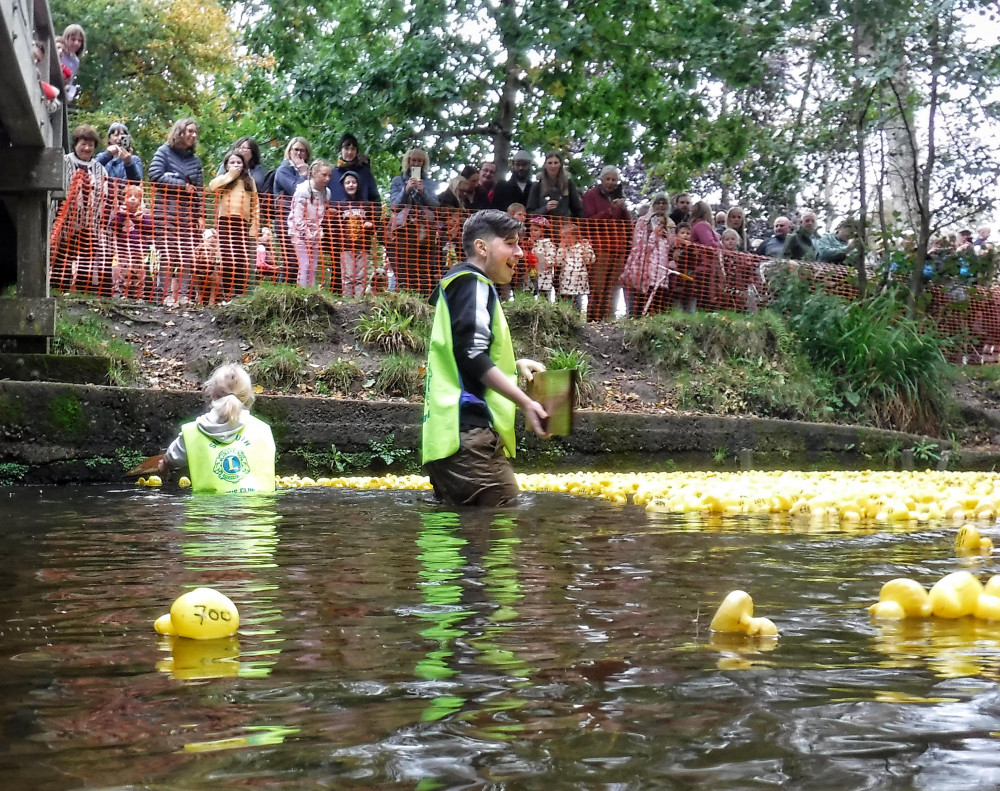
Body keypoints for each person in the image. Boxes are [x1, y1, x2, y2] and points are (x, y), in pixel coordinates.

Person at [421, 209, 549, 507]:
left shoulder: (458, 286)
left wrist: (514, 367)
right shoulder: (474, 283)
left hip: (445, 438)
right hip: (468, 438)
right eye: (511, 243)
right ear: (482, 247)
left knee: (463, 540)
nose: (520, 252)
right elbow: (471, 354)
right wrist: (526, 402)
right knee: (502, 523)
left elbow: (462, 355)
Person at [160, 363, 275, 494]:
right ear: (246, 396)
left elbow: (169, 460)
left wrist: (163, 467)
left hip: (207, 512)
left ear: (213, 393)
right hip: (256, 510)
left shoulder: (191, 432)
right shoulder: (263, 430)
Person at [148, 118, 204, 305]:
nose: (193, 135)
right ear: (180, 132)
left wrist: (200, 215)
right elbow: (155, 175)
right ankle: (164, 295)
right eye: (190, 131)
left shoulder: (195, 160)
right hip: (165, 211)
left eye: (195, 132)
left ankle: (183, 295)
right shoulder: (163, 151)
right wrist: (181, 185)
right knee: (168, 252)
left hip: (188, 214)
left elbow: (199, 190)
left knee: (187, 254)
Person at [53, 124, 108, 295]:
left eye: (90, 145)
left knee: (86, 258)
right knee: (63, 257)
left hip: (90, 222)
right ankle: (58, 291)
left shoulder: (100, 169)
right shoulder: (65, 162)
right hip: (66, 220)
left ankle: (81, 295)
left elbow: (105, 195)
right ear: (76, 143)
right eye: (83, 143)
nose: (86, 148)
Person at [582, 165, 632, 321]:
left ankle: (608, 320)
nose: (611, 182)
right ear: (602, 179)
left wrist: (623, 209)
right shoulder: (591, 196)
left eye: (614, 180)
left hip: (619, 248)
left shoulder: (619, 196)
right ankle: (593, 320)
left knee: (613, 287)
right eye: (608, 179)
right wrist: (609, 211)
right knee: (597, 285)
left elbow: (627, 225)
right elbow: (589, 221)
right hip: (600, 246)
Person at [388, 147, 441, 294]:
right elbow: (394, 206)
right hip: (403, 230)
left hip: (425, 230)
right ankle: (404, 296)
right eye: (413, 160)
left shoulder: (430, 183)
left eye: (420, 161)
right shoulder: (398, 181)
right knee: (403, 266)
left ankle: (423, 297)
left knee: (423, 266)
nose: (416, 163)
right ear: (408, 161)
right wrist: (406, 190)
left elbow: (436, 206)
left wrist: (423, 192)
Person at [208, 151, 259, 300]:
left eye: (239, 162)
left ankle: (238, 293)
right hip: (225, 222)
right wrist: (230, 175)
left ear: (244, 165)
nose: (236, 165)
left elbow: (255, 204)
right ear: (226, 165)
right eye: (232, 162)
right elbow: (212, 187)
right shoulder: (224, 180)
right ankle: (226, 293)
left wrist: (254, 226)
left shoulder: (249, 181)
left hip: (242, 223)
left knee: (240, 257)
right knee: (226, 257)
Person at [621, 193, 674, 317]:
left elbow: (671, 245)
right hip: (644, 265)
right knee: (639, 299)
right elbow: (638, 244)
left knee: (657, 299)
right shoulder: (643, 220)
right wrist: (654, 235)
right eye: (657, 202)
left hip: (662, 268)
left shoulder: (670, 223)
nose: (661, 206)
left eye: (664, 203)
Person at [331, 170, 376, 297]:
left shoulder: (366, 205)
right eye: (347, 183)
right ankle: (347, 301)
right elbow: (334, 226)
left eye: (354, 182)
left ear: (359, 184)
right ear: (343, 186)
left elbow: (373, 224)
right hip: (345, 247)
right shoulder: (340, 205)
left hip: (363, 247)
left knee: (361, 276)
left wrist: (370, 225)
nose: (351, 185)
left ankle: (359, 301)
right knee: (348, 276)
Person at [273, 136, 312, 283]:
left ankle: (294, 292)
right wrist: (303, 174)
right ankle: (283, 294)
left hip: (303, 221)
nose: (299, 153)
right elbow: (295, 190)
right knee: (291, 260)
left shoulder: (309, 171)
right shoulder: (284, 169)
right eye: (296, 149)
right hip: (285, 220)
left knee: (301, 261)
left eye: (303, 150)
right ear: (289, 151)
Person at [288, 159, 332, 288]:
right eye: (324, 175)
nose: (327, 178)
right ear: (314, 173)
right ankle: (302, 291)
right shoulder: (303, 190)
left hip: (315, 232)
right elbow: (298, 216)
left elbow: (322, 214)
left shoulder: (326, 192)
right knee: (305, 264)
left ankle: (311, 292)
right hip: (299, 231)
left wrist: (318, 231)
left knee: (313, 265)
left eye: (329, 175)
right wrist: (305, 233)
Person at [110, 184, 153, 299]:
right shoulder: (120, 213)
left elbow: (150, 228)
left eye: (136, 196)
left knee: (138, 275)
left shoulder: (144, 215)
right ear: (124, 199)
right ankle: (122, 294)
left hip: (138, 253)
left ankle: (138, 296)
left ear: (140, 200)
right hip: (123, 252)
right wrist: (121, 215)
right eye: (129, 196)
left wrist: (141, 220)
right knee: (123, 273)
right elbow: (113, 225)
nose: (133, 199)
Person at [526, 152, 583, 218]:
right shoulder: (537, 186)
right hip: (543, 225)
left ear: (560, 165)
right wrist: (545, 209)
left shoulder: (568, 183)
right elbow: (530, 212)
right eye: (550, 163)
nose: (553, 166)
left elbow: (577, 209)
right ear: (545, 165)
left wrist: (576, 224)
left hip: (565, 225)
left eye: (556, 163)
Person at [328, 133, 381, 204]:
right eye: (346, 149)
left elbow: (375, 199)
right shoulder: (332, 174)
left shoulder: (365, 173)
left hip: (362, 213)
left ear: (356, 151)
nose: (349, 152)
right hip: (336, 214)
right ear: (341, 150)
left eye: (353, 149)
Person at [557, 222, 593, 312]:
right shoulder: (563, 249)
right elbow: (558, 263)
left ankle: (576, 321)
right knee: (565, 303)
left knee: (577, 304)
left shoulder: (582, 248)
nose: (565, 240)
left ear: (575, 236)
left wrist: (587, 249)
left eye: (567, 237)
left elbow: (590, 260)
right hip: (566, 281)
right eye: (563, 237)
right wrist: (561, 250)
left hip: (579, 282)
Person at [59, 24, 85, 102]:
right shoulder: (59, 52)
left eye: (79, 41)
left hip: (62, 91)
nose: (76, 43)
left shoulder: (75, 62)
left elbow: (69, 81)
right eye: (73, 39)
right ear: (66, 39)